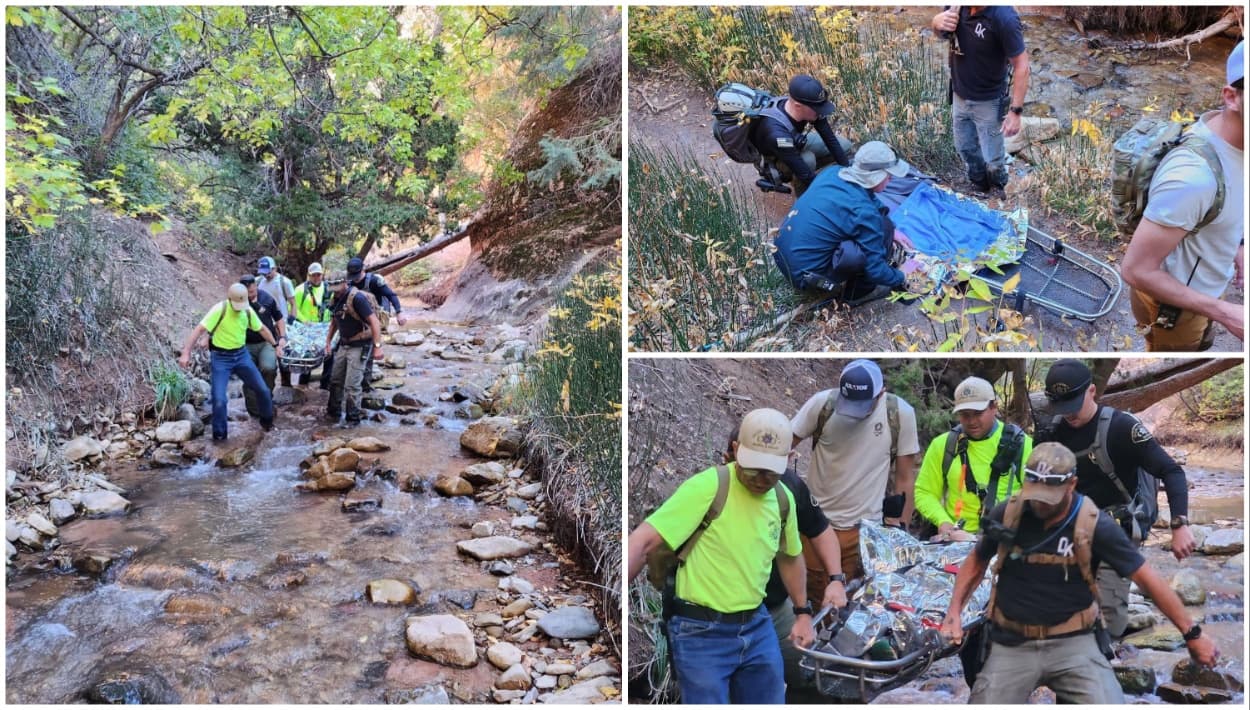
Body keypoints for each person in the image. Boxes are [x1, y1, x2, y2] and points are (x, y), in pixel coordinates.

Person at [941, 443, 1219, 704]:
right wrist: (954, 612)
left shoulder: (1094, 524)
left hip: (1074, 642)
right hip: (1012, 643)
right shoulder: (1009, 512)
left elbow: (1147, 579)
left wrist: (1192, 633)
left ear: (1071, 484)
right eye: (1034, 494)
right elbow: (976, 560)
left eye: (1048, 498)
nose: (1040, 505)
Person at [626, 408, 812, 704]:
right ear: (736, 450)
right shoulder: (709, 487)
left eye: (771, 469)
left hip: (756, 624)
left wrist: (803, 613)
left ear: (789, 458)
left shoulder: (782, 499)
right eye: (754, 467)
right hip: (700, 631)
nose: (762, 478)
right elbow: (644, 540)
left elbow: (790, 557)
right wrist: (614, 597)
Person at [1036, 359, 1195, 638]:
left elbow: (1171, 471)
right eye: (1062, 407)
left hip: (1119, 529)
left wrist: (1179, 524)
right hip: (1073, 530)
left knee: (1110, 614)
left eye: (1074, 404)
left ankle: (1107, 661)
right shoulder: (1053, 431)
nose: (1069, 414)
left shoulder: (1122, 428)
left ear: (1092, 391)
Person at [1120, 40, 1244, 351]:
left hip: (1203, 289)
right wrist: (1227, 313)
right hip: (1173, 309)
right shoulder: (1193, 178)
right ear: (1232, 97)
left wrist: (1238, 245)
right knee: (1174, 352)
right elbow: (1136, 270)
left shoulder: (1235, 137)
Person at [790, 359, 920, 583]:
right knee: (812, 597)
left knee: (851, 601)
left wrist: (899, 533)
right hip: (814, 525)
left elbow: (905, 478)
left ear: (881, 394)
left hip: (863, 531)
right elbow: (783, 446)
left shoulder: (899, 414)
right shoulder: (822, 405)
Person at [773, 141, 913, 304]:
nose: (891, 178)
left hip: (782, 256)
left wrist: (893, 230)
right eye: (888, 174)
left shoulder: (833, 172)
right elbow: (876, 271)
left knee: (885, 226)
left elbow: (868, 197)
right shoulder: (864, 213)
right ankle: (857, 294)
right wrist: (902, 274)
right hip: (807, 278)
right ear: (876, 176)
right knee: (855, 253)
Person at [914, 376, 1033, 539]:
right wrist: (943, 522)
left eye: (978, 413)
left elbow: (1035, 496)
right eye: (964, 414)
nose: (971, 421)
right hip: (956, 539)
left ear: (994, 407)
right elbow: (924, 491)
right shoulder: (943, 445)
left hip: (1005, 538)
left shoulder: (1021, 445)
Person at [930, 6, 1030, 193]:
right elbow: (942, 33)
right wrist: (936, 22)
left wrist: (1015, 112)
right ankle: (979, 184)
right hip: (960, 94)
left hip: (989, 102)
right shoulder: (956, 7)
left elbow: (1022, 65)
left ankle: (998, 186)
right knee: (965, 148)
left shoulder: (1004, 17)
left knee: (993, 158)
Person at [178, 283, 282, 440]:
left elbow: (262, 329)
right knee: (219, 400)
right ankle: (220, 437)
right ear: (229, 299)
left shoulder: (247, 310)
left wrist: (275, 345)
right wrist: (186, 353)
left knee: (263, 390)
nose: (240, 308)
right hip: (221, 358)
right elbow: (199, 330)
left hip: (241, 355)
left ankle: (267, 424)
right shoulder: (220, 309)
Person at [751, 74, 851, 196]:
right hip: (776, 156)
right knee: (808, 160)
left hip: (793, 143)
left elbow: (830, 140)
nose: (820, 111)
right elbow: (805, 175)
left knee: (845, 146)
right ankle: (803, 199)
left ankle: (825, 177)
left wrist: (849, 174)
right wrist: (830, 195)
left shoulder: (809, 106)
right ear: (798, 106)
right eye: (817, 108)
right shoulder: (776, 134)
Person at [323, 274, 383, 426]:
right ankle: (333, 414)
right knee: (335, 379)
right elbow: (334, 322)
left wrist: (377, 348)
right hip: (344, 344)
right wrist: (328, 342)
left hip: (360, 344)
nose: (335, 292)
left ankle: (353, 419)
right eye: (333, 289)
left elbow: (375, 322)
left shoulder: (357, 299)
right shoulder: (335, 298)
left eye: (337, 289)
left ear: (345, 283)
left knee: (352, 384)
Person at [239, 275, 286, 417]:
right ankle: (254, 412)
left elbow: (279, 318)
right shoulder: (237, 301)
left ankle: (266, 399)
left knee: (268, 368)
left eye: (252, 288)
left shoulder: (267, 299)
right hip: (245, 343)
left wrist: (282, 337)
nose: (250, 292)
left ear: (255, 286)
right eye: (247, 290)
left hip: (266, 341)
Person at [257, 256, 295, 323]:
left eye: (268, 272)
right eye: (263, 273)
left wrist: (292, 317)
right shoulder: (257, 282)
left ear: (275, 268)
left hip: (281, 321)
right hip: (263, 322)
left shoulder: (284, 282)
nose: (266, 275)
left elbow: (293, 303)